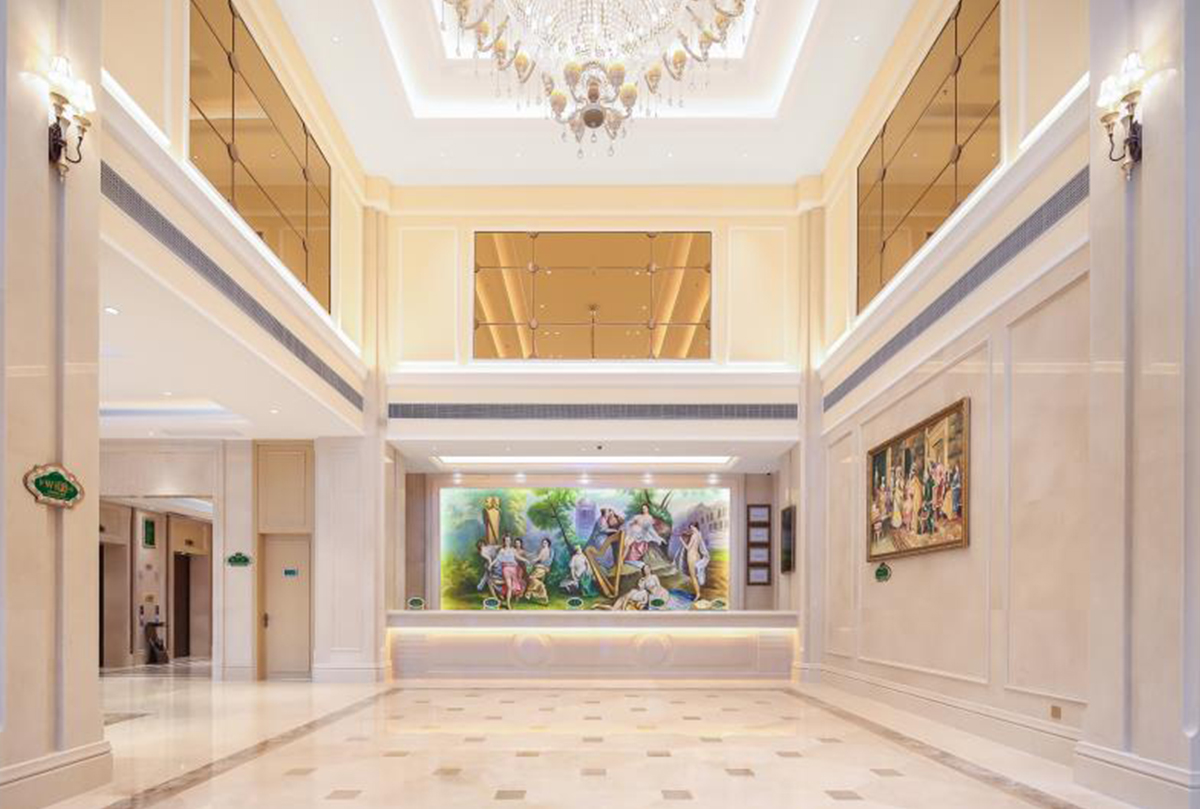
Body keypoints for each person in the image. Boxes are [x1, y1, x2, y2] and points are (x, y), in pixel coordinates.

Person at [625, 504, 667, 570]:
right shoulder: (638, 516)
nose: (643, 510)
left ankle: (630, 559)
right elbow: (629, 523)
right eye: (642, 508)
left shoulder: (649, 518)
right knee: (626, 542)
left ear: (648, 509)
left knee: (630, 543)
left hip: (641, 534)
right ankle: (622, 559)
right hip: (633, 532)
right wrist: (632, 524)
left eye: (645, 508)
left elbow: (650, 529)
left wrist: (658, 537)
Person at [674, 522, 710, 599]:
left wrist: (681, 540)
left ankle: (698, 594)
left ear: (695, 527)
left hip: (691, 556)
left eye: (692, 528)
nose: (691, 529)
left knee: (693, 577)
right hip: (697, 555)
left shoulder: (694, 536)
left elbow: (688, 548)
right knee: (696, 575)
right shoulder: (699, 535)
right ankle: (699, 591)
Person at [495, 535, 524, 610]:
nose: (507, 542)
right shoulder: (502, 550)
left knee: (514, 586)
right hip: (506, 569)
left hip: (514, 569)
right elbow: (497, 559)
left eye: (509, 540)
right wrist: (491, 564)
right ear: (504, 541)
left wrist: (525, 560)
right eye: (506, 540)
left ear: (510, 541)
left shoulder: (513, 550)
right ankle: (508, 604)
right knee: (509, 587)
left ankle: (509, 601)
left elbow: (518, 557)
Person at [523, 537, 553, 605]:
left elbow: (539, 558)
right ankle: (542, 597)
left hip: (541, 568)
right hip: (541, 567)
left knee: (532, 578)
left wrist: (531, 561)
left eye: (545, 543)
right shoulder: (548, 550)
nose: (543, 544)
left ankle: (529, 593)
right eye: (543, 543)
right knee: (537, 581)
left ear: (548, 544)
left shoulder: (545, 550)